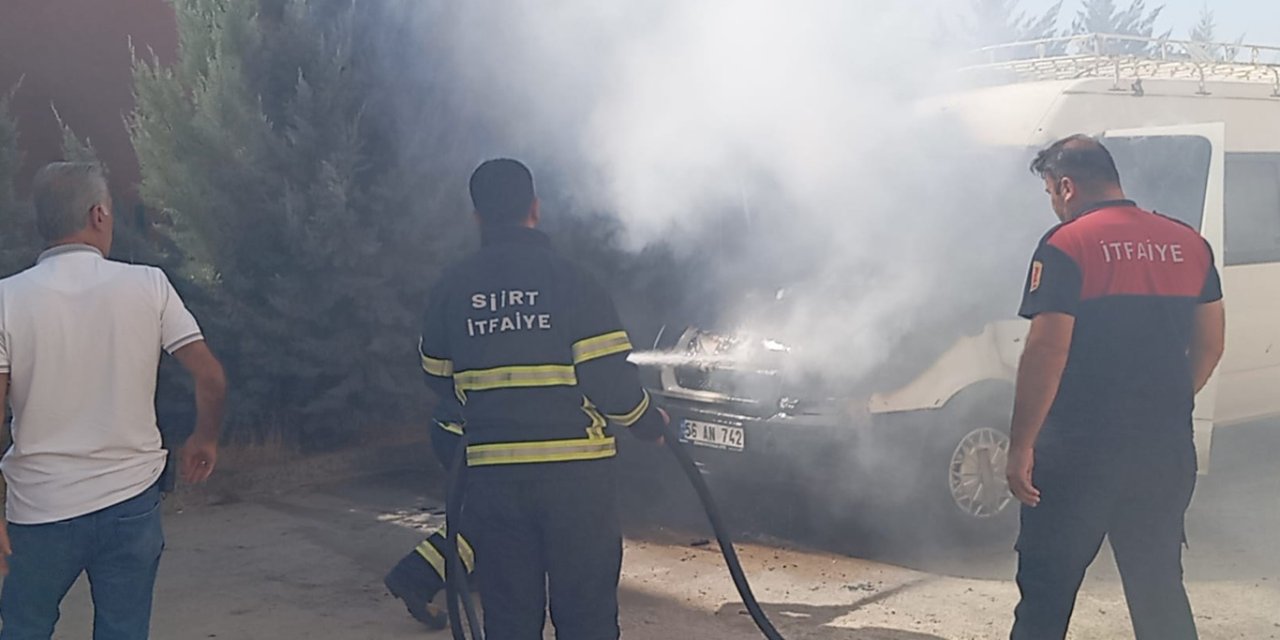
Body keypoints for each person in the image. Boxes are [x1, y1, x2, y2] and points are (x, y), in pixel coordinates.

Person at [418, 158, 667, 639]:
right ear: (535, 208)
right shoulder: (573, 281)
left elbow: (436, 376)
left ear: (478, 217)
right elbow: (608, 379)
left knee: (509, 619)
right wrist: (648, 423)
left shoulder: (453, 287)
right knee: (586, 618)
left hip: (495, 479)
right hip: (578, 482)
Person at [1005, 135, 1225, 640]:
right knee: (1159, 592)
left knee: (1046, 596)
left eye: (1050, 193)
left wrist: (1020, 446)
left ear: (1066, 186)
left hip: (1077, 455)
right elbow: (1211, 345)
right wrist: (1167, 403)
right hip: (1163, 452)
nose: (1054, 204)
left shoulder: (1066, 244)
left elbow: (1047, 351)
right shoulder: (1189, 242)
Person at [0, 162, 227, 640]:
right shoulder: (149, 285)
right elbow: (210, 375)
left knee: (24, 627)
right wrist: (204, 437)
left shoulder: (6, 300)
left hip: (40, 508)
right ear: (99, 214)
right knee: (123, 630)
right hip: (130, 502)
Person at [382, 396, 476, 630]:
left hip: (463, 430)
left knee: (491, 513)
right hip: (471, 435)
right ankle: (416, 576)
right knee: (491, 518)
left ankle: (469, 572)